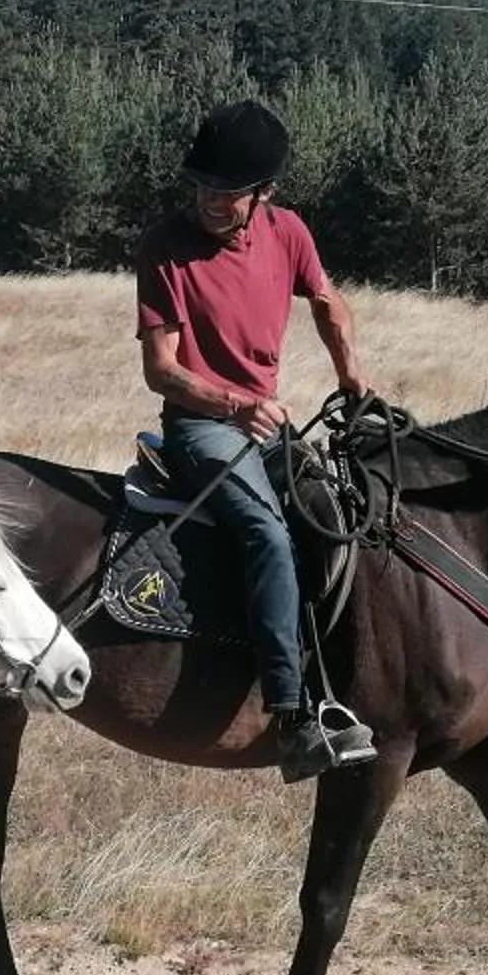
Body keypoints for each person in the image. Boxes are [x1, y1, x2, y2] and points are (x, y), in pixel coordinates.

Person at [135, 99, 376, 782]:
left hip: (265, 424)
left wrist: (352, 374)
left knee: (337, 518)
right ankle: (293, 717)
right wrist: (237, 405)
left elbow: (328, 301)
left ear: (265, 192)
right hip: (202, 428)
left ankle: (342, 683)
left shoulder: (288, 233)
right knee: (267, 535)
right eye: (203, 185)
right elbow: (162, 369)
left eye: (228, 190)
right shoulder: (164, 245)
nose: (210, 200)